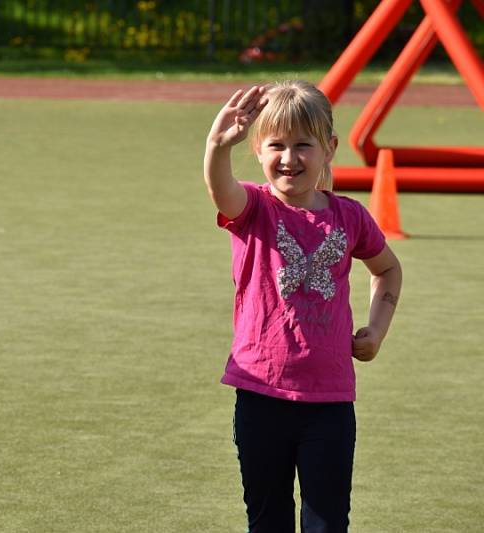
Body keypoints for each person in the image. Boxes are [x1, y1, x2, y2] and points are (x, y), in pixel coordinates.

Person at [203, 80, 402, 532]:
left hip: (329, 401)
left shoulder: (350, 216)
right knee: (268, 520)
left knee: (327, 522)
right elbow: (220, 191)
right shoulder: (253, 208)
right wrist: (217, 145)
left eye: (303, 145)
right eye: (276, 145)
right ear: (257, 148)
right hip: (260, 396)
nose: (289, 158)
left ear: (328, 148)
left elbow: (388, 270)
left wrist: (376, 329)